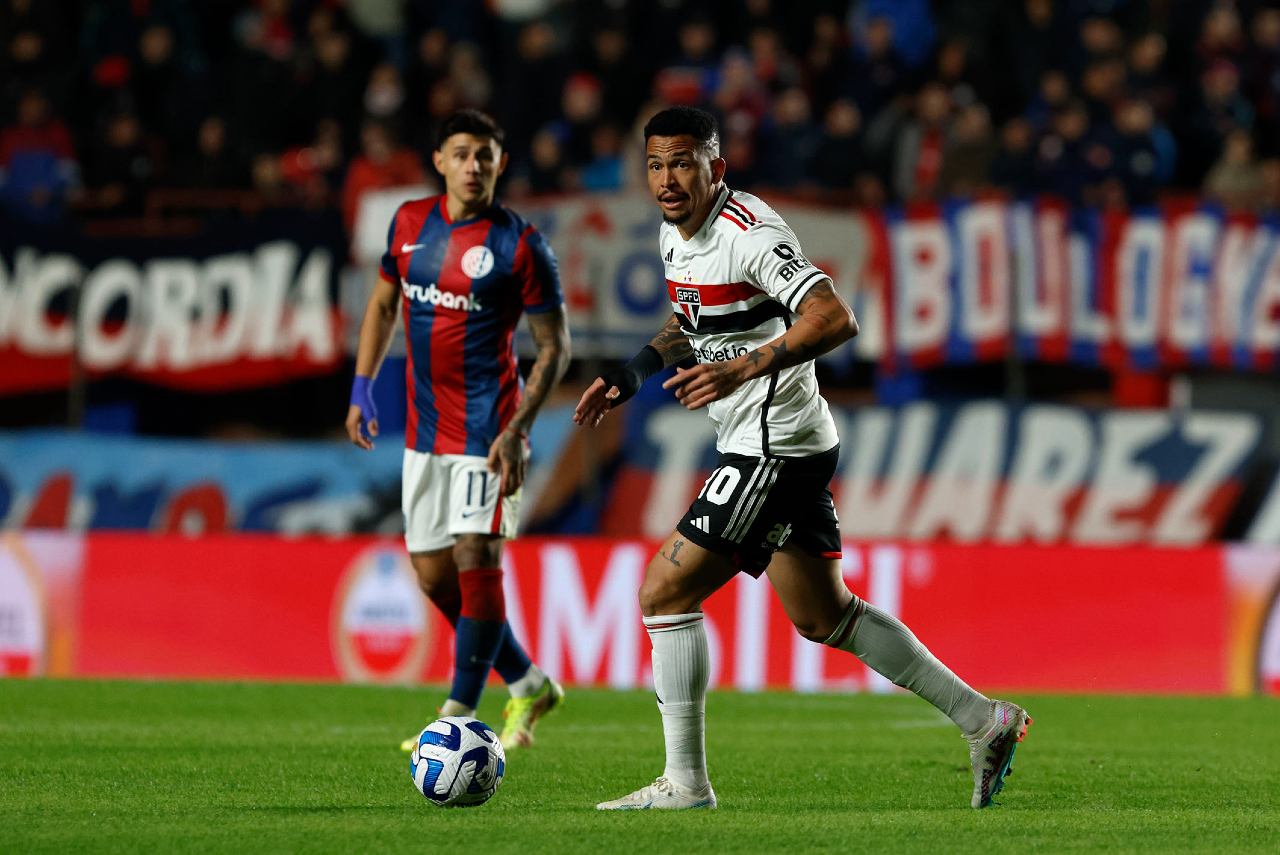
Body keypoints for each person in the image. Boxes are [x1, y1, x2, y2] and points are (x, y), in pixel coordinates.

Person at [574, 106, 1030, 811]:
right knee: (825, 617)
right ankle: (984, 718)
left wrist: (742, 370)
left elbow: (835, 316)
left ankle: (685, 784)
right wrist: (632, 373)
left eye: (683, 163)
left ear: (714, 167)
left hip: (774, 447)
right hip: (783, 441)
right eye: (657, 164)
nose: (668, 178)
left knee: (663, 593)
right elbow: (691, 323)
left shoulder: (749, 233)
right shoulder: (675, 235)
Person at [346, 109, 570, 750]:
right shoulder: (410, 223)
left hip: (491, 429)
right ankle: (528, 683)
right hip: (425, 430)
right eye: (463, 153)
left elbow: (554, 348)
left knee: (477, 557)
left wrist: (520, 427)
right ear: (439, 160)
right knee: (435, 578)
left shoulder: (522, 245)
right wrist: (362, 387)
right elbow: (385, 303)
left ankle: (455, 719)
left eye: (487, 156)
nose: (475, 166)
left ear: (501, 164)